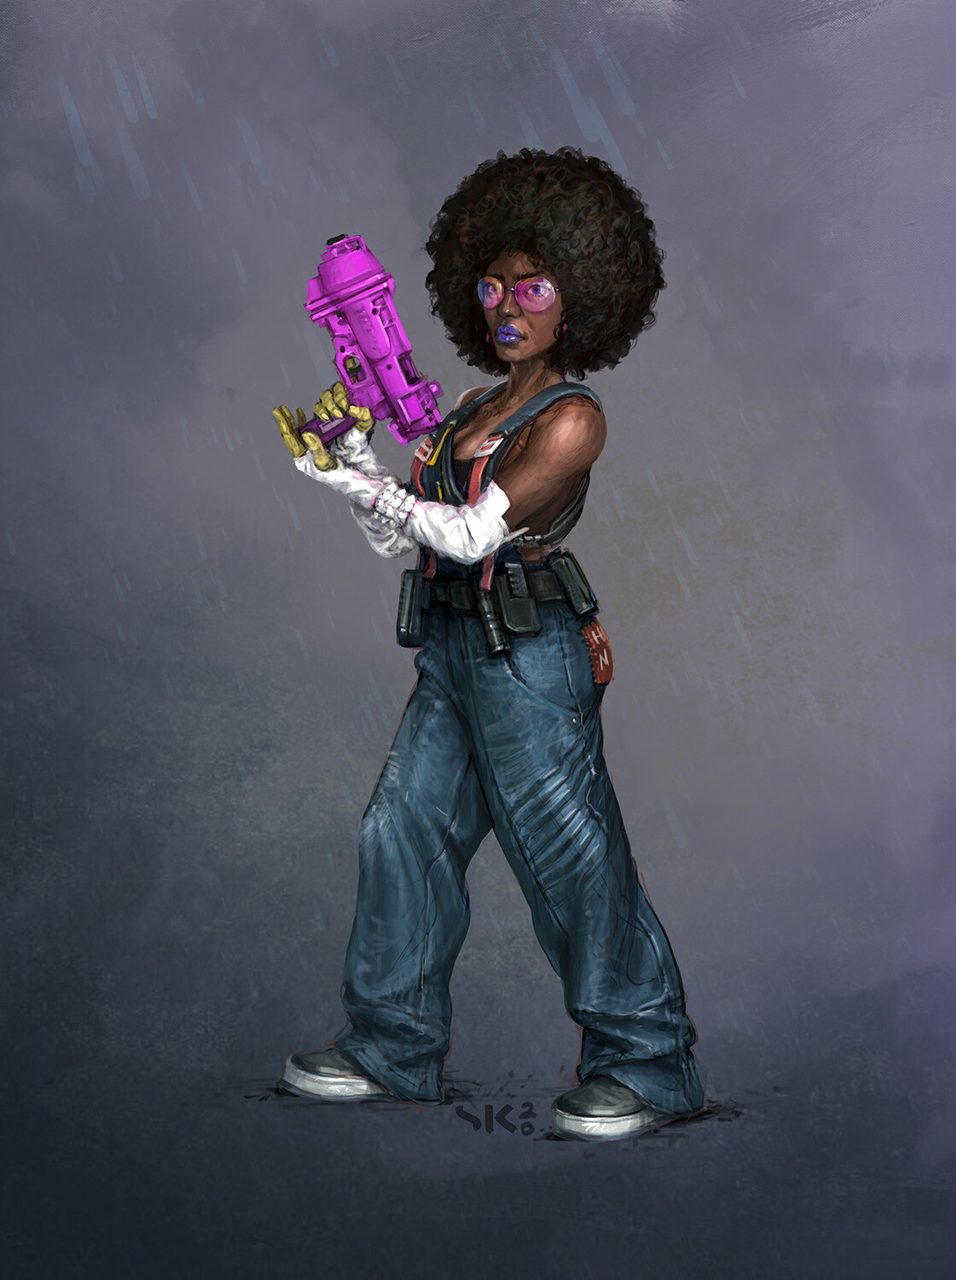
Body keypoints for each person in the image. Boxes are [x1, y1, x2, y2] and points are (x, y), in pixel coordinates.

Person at [272, 146, 705, 1140]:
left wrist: (358, 483)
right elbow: (406, 539)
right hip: (451, 648)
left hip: (528, 654)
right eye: (492, 285)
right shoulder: (469, 411)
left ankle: (647, 1062)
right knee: (400, 831)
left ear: (581, 298)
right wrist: (349, 459)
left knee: (569, 856)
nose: (508, 306)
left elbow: (472, 534)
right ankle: (390, 1044)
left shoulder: (572, 420)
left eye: (534, 286)